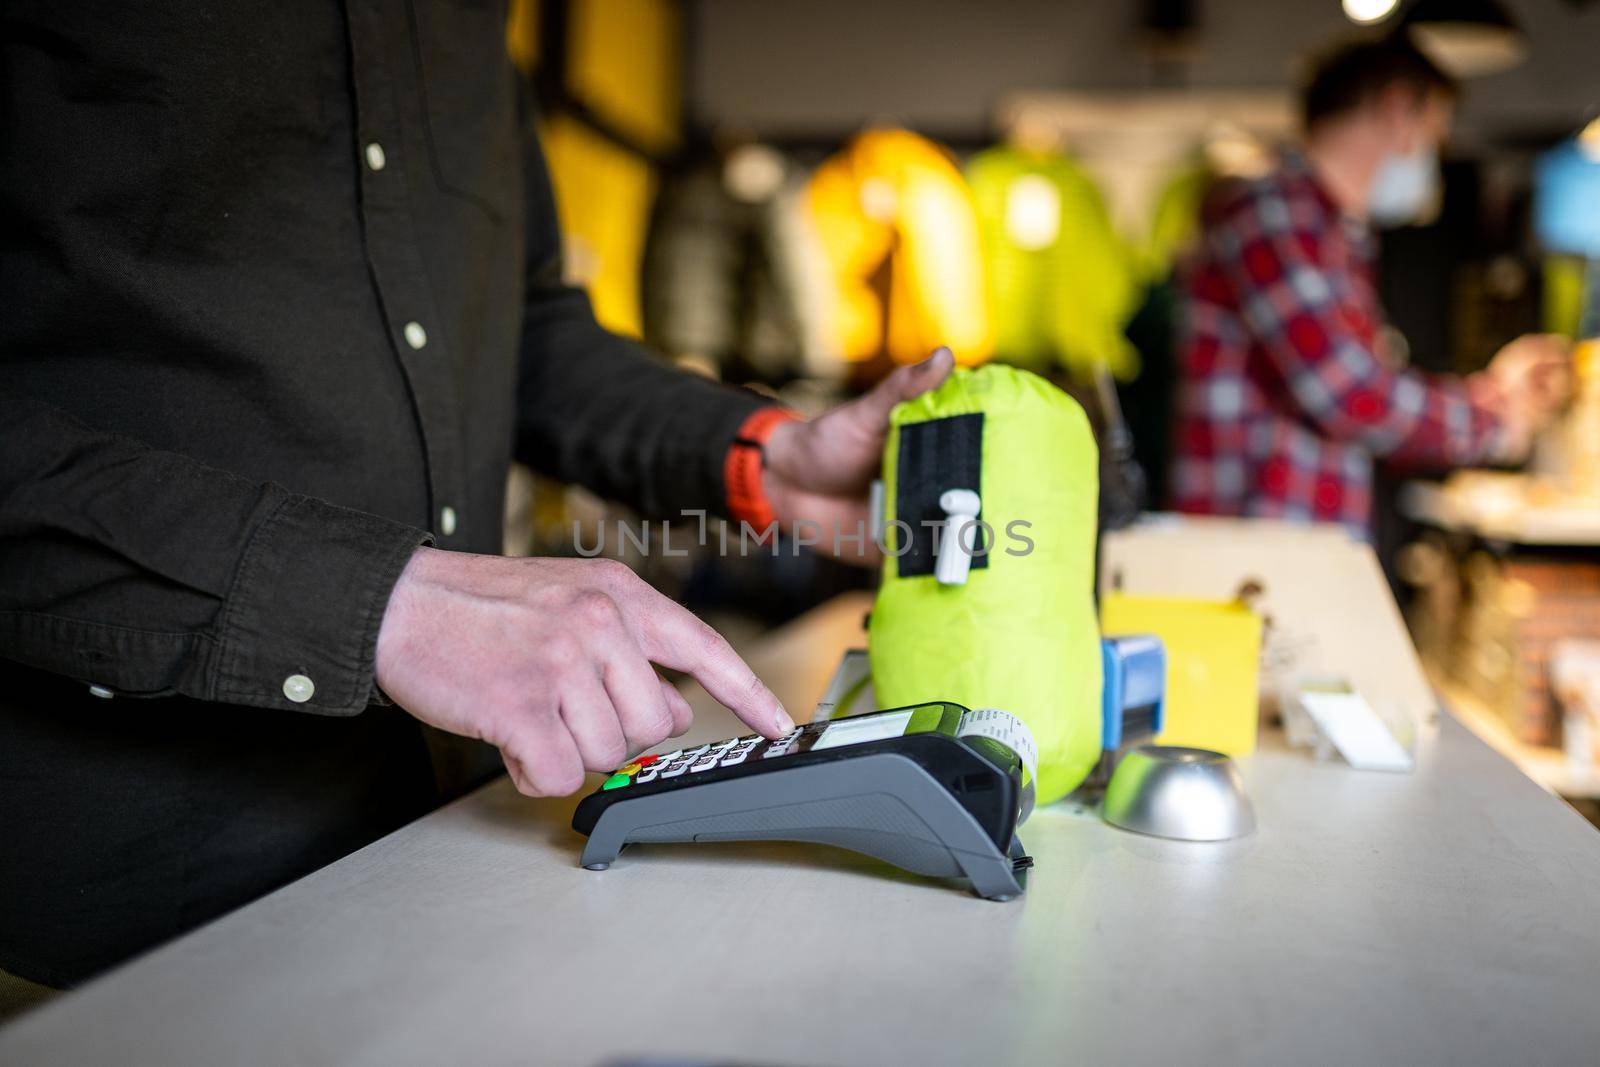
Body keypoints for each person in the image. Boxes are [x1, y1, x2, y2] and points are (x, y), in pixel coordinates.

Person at [0, 2, 954, 991]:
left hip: (446, 845)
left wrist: (760, 452)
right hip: (95, 930)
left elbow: (525, 329)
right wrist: (367, 599)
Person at [1170, 37, 1569, 533]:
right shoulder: (1274, 212)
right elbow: (1347, 392)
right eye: (1434, 134)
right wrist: (1497, 420)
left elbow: (1362, 389)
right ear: (1398, 108)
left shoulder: (1329, 231)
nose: (1430, 158)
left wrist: (1492, 394)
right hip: (1256, 551)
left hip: (1288, 543)